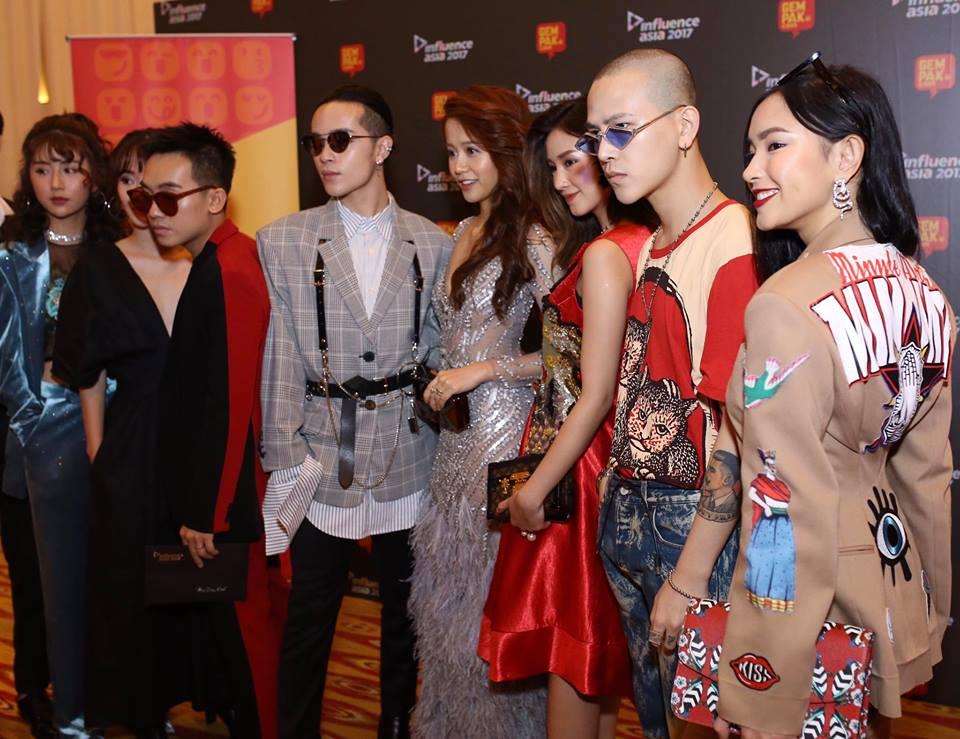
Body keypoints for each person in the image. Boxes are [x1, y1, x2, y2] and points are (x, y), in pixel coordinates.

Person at [707, 56, 954, 739]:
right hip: (889, 591)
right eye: (750, 150)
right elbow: (927, 484)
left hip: (810, 619)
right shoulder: (926, 294)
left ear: (846, 156)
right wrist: (927, 613)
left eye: (774, 146)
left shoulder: (784, 303)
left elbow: (784, 509)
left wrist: (761, 682)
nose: (751, 170)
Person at [258, 85, 452, 739]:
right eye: (315, 142)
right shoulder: (283, 240)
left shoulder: (432, 243)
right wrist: (286, 457)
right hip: (320, 455)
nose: (325, 154)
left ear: (384, 147)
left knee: (404, 612)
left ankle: (396, 720)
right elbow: (280, 356)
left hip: (409, 455)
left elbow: (437, 352)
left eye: (340, 140)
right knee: (310, 614)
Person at [584, 49, 759, 738]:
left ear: (685, 126)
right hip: (633, 507)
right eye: (596, 135)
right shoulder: (656, 242)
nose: (604, 152)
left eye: (622, 130)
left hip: (690, 526)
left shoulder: (734, 238)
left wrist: (691, 573)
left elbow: (737, 430)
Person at [479, 99, 648, 739]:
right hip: (595, 456)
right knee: (593, 654)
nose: (561, 180)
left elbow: (594, 393)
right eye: (552, 168)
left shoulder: (611, 250)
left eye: (573, 161)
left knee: (575, 648)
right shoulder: (625, 243)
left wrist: (535, 489)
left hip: (582, 464)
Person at [408, 84, 555, 739]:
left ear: (506, 150)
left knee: (493, 627)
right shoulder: (464, 231)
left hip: (506, 449)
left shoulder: (537, 236)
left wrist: (484, 370)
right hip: (452, 454)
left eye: (473, 150)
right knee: (447, 623)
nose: (459, 166)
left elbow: (572, 354)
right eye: (451, 153)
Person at [130, 123, 280, 739]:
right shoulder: (216, 261)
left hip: (231, 507)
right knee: (233, 652)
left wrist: (208, 515)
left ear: (215, 197)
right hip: (224, 502)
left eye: (169, 198)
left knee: (251, 655)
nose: (153, 212)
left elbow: (233, 404)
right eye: (144, 198)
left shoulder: (232, 269)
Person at [53, 128, 193, 738]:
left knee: (193, 573)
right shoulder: (99, 268)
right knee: (128, 583)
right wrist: (97, 447)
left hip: (194, 441)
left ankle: (193, 691)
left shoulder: (199, 259)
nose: (141, 192)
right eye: (129, 179)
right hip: (130, 443)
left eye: (152, 179)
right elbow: (86, 370)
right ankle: (139, 708)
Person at [0, 113, 117, 738]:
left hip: (115, 426)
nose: (56, 183)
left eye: (70, 169)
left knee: (109, 573)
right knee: (45, 577)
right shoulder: (13, 256)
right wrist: (33, 420)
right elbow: (6, 355)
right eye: (43, 170)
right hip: (37, 430)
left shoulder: (119, 249)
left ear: (93, 174)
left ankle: (114, 694)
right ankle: (48, 696)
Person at [0, 106, 54, 739]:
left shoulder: (20, 232)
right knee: (28, 571)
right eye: (44, 169)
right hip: (16, 432)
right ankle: (32, 685)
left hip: (77, 425)